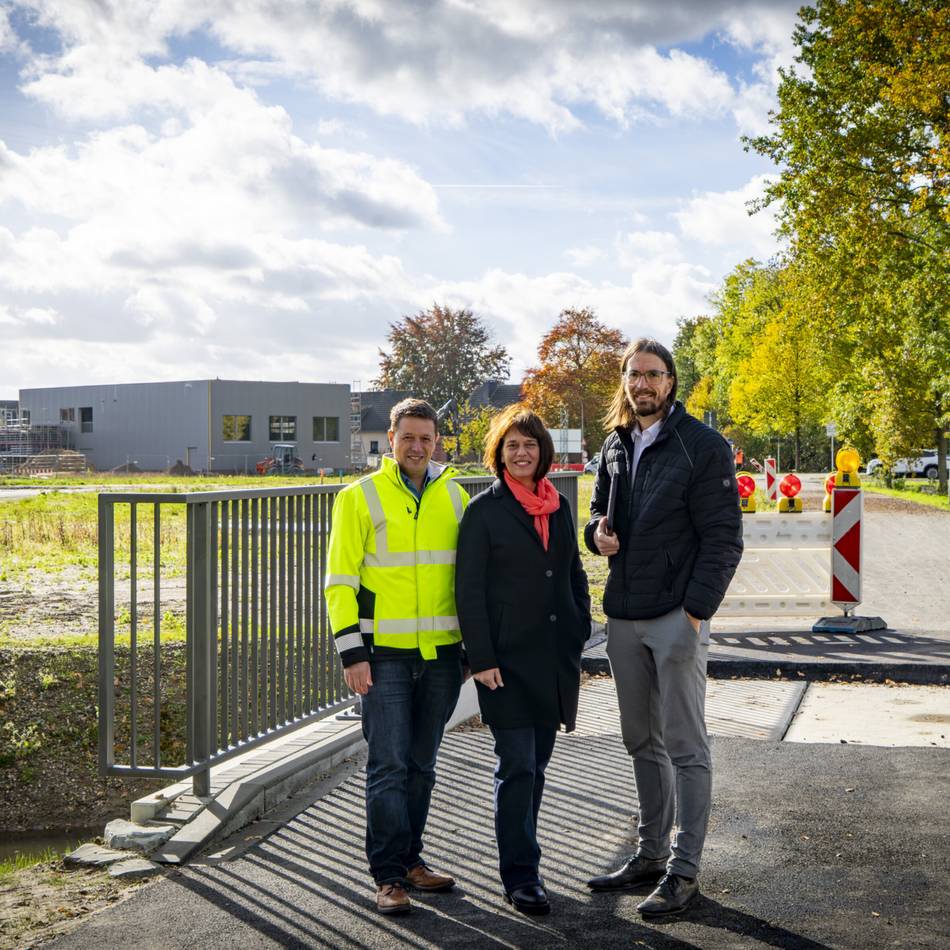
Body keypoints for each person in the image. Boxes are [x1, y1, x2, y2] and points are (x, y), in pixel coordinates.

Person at [584, 339, 742, 917]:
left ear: (671, 382)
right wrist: (594, 536)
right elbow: (597, 517)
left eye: (653, 375)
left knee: (685, 745)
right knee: (640, 742)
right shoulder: (616, 444)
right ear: (624, 382)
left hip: (677, 616)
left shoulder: (701, 446)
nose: (643, 384)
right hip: (624, 615)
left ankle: (684, 870)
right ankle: (650, 853)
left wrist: (696, 614)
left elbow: (725, 539)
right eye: (634, 375)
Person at [324, 398, 469, 916]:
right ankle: (387, 876)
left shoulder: (454, 497)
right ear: (390, 439)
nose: (416, 446)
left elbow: (466, 581)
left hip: (441, 658)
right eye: (407, 437)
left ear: (436, 442)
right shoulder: (358, 497)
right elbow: (339, 582)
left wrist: (467, 651)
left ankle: (412, 861)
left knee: (422, 765)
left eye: (425, 438)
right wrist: (351, 654)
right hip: (381, 658)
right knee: (387, 765)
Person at [456, 405, 591, 917]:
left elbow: (572, 571)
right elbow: (468, 591)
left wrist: (581, 623)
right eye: (512, 445)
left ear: (543, 453)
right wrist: (481, 657)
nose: (521, 452)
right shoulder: (484, 511)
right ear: (499, 453)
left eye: (530, 445)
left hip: (553, 660)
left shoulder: (557, 506)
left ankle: (523, 863)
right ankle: (521, 875)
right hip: (505, 665)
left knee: (536, 766)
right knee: (515, 767)